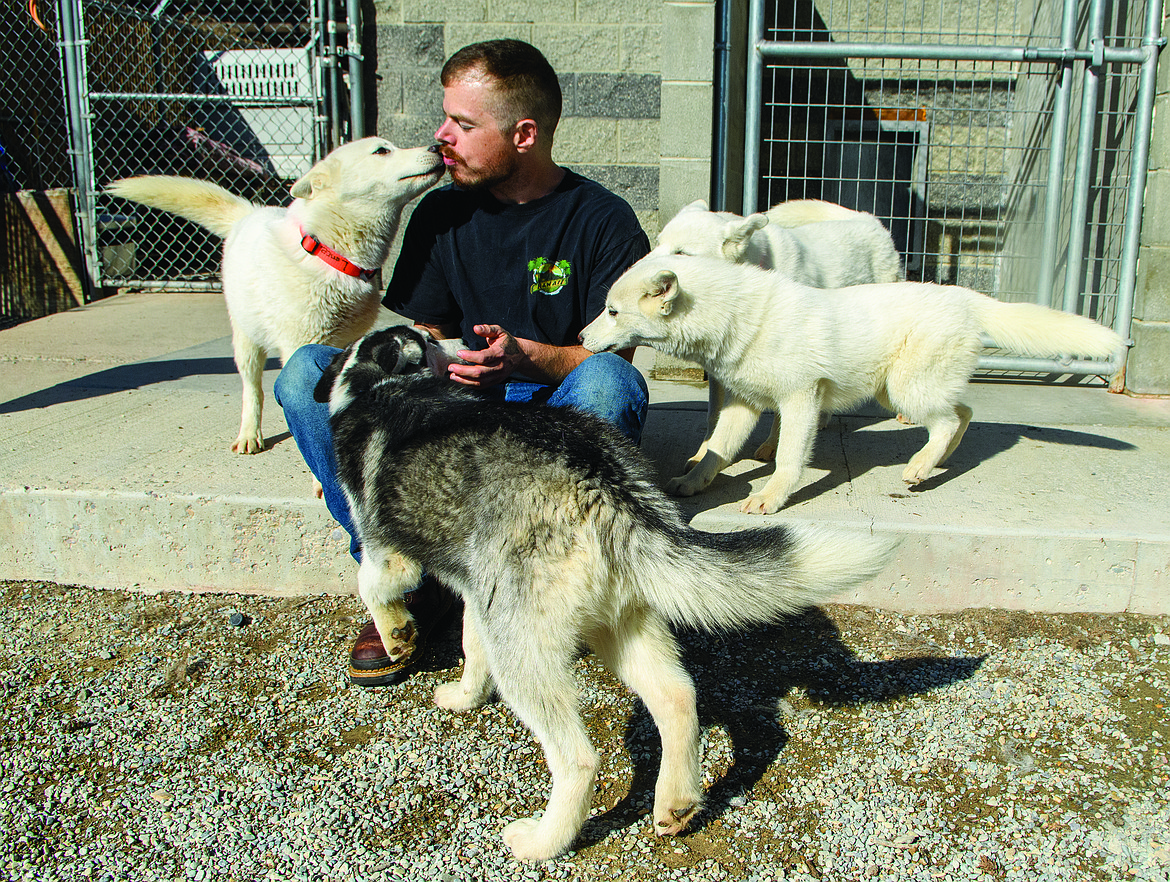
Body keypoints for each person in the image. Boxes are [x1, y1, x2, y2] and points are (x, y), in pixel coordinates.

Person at [273, 39, 652, 686]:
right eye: (446, 117)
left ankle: (521, 576)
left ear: (524, 133)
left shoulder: (603, 222)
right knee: (306, 372)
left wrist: (529, 358)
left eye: (464, 125)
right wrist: (442, 364)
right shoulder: (442, 212)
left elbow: (610, 356)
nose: (441, 136)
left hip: (543, 423)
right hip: (450, 420)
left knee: (614, 382)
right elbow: (425, 334)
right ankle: (401, 573)